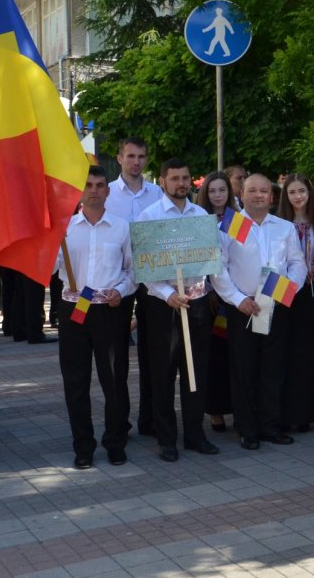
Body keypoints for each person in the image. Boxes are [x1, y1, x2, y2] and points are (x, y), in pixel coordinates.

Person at [136, 158, 241, 462]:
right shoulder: (149, 217)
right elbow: (143, 269)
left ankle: (195, 433)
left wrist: (232, 296)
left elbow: (214, 264)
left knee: (196, 373)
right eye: (174, 178)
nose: (180, 183)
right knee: (163, 373)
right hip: (162, 306)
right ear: (163, 181)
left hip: (195, 305)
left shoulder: (200, 216)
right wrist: (168, 294)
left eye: (185, 178)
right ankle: (167, 438)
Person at [54, 167, 135, 468]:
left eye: (100, 185)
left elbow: (132, 270)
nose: (95, 190)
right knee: (76, 381)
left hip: (108, 310)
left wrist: (122, 290)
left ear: (108, 191)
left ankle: (115, 441)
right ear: (80, 190)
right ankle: (83, 446)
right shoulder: (66, 228)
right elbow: (50, 269)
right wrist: (49, 240)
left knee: (114, 379)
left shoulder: (121, 227)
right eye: (88, 185)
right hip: (73, 309)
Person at [221, 174, 305, 450]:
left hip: (275, 307)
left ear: (272, 197)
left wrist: (286, 292)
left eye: (264, 191)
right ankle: (247, 428)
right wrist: (236, 299)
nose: (258, 195)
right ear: (241, 195)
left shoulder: (285, 227)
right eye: (252, 190)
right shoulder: (231, 225)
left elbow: (297, 264)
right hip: (243, 308)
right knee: (243, 370)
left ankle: (271, 426)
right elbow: (218, 268)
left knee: (273, 369)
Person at [105, 137, 164, 436]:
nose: (136, 162)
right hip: (119, 279)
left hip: (154, 280)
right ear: (119, 158)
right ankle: (119, 420)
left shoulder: (158, 194)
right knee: (118, 356)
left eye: (141, 156)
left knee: (153, 352)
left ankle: (150, 418)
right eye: (130, 156)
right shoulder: (108, 195)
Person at [276, 174, 314, 432]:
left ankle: (303, 413)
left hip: (312, 292)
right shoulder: (279, 223)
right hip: (285, 289)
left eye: (302, 191)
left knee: (305, 354)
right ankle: (283, 411)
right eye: (292, 192)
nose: (298, 196)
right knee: (284, 350)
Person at [197, 172, 238, 434]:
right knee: (213, 358)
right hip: (208, 299)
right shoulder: (199, 219)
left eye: (222, 190)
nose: (218, 195)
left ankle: (237, 407)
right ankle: (215, 411)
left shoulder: (239, 220)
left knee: (235, 357)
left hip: (236, 298)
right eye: (212, 190)